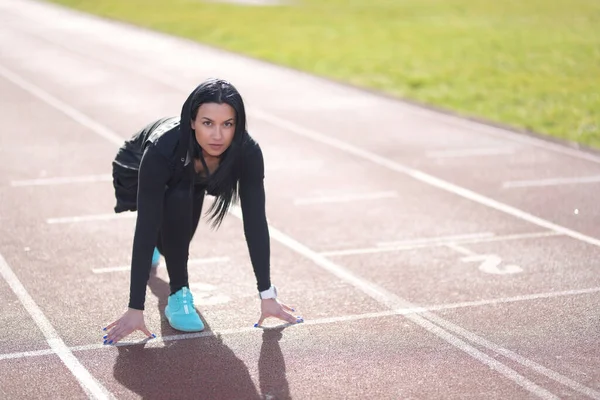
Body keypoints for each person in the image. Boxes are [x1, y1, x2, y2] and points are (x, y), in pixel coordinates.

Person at [103, 78, 302, 345]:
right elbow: (145, 226)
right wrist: (135, 308)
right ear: (192, 121)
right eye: (208, 123)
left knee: (177, 235)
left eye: (227, 124)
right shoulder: (162, 149)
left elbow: (255, 221)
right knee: (171, 208)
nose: (218, 135)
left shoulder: (247, 151)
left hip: (192, 177)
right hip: (140, 165)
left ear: (237, 125)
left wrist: (267, 294)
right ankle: (179, 294)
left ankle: (162, 250)